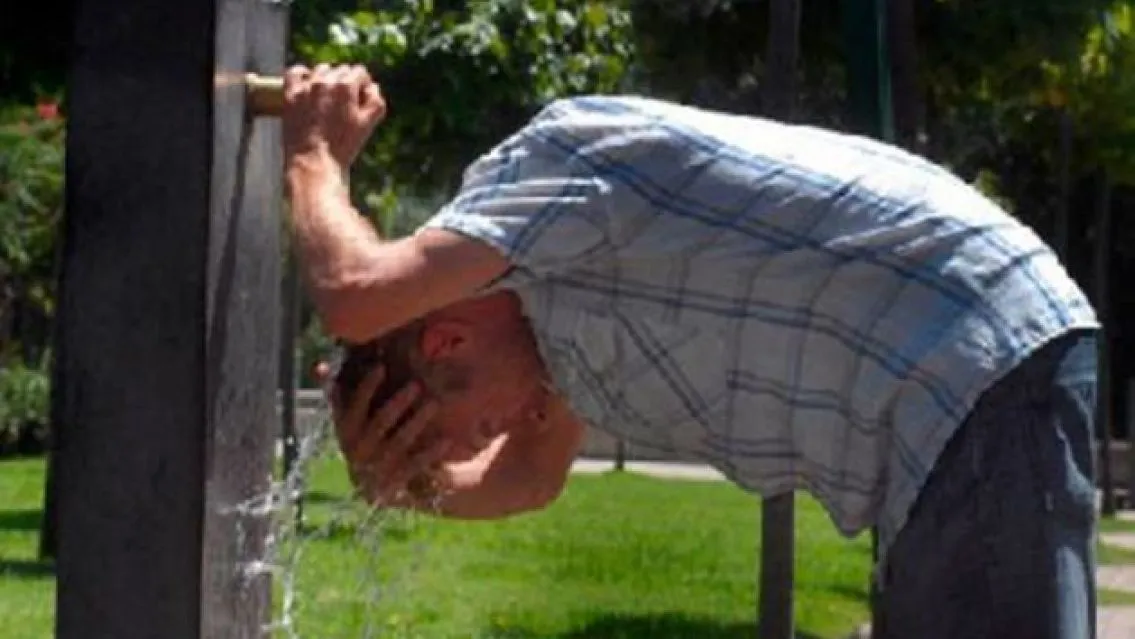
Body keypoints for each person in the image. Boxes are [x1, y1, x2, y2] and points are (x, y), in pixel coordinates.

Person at [281, 63, 1100, 639]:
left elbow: (353, 294)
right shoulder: (553, 312)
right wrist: (400, 482)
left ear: (447, 338)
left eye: (476, 425)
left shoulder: (549, 176)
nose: (499, 429)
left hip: (970, 357)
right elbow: (527, 479)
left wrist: (313, 157)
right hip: (944, 405)